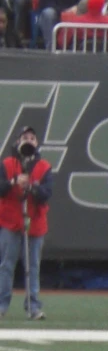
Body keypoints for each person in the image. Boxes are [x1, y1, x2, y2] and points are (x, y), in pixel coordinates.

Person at [0, 125, 52, 319]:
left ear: (37, 143)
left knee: (33, 266)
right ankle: (2, 305)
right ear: (18, 141)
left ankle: (33, 306)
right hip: (10, 221)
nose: (29, 140)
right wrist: (14, 182)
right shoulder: (6, 164)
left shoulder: (44, 166)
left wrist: (32, 188)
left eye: (32, 137)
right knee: (6, 264)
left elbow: (47, 194)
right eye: (25, 137)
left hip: (35, 223)